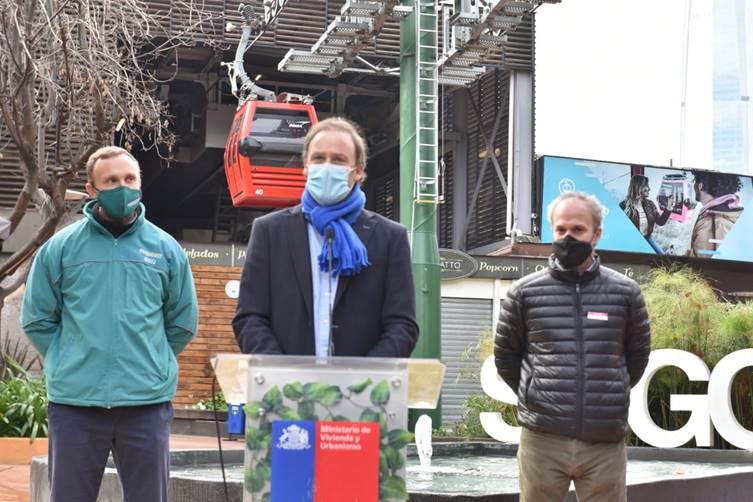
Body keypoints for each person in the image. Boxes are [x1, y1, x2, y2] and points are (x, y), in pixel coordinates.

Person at [22, 146, 199, 502]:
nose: (123, 188)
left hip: (146, 404)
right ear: (92, 189)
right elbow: (38, 320)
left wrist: (151, 359)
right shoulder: (60, 249)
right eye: (112, 181)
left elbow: (182, 323)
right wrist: (69, 358)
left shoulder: (166, 250)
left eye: (130, 179)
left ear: (140, 183)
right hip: (76, 405)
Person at [495, 191, 651, 502]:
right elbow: (506, 358)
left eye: (578, 230)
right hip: (542, 439)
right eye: (561, 230)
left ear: (597, 235)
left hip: (604, 440)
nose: (568, 237)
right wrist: (536, 393)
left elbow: (637, 358)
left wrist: (607, 392)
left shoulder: (626, 293)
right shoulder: (523, 293)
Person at [233, 117, 419, 357]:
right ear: (306, 167)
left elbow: (402, 326)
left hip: (361, 390)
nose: (327, 166)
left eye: (339, 160)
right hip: (286, 389)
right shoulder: (269, 231)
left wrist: (360, 381)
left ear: (358, 172)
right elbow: (250, 317)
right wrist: (282, 375)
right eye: (319, 158)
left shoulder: (390, 237)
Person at [689, 170, 744, 257]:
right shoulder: (732, 213)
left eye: (695, 182)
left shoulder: (711, 223)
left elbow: (699, 266)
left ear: (700, 186)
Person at [619, 174, 669, 254]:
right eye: (646, 186)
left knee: (663, 258)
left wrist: (668, 209)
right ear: (638, 187)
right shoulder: (623, 206)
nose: (649, 189)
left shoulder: (650, 204)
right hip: (632, 243)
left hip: (648, 238)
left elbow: (660, 222)